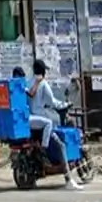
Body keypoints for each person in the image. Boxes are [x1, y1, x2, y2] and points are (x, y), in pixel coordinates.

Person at [27, 58, 81, 190]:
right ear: (43, 71)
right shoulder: (43, 84)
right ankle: (68, 180)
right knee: (61, 145)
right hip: (41, 121)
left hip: (30, 122)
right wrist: (65, 104)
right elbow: (52, 102)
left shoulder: (29, 83)